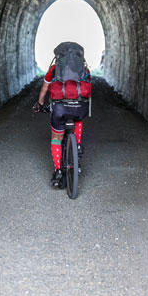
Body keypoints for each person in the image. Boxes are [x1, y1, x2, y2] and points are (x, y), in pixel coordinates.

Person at [33, 43, 91, 188]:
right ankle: (77, 146)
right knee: (78, 119)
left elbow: (44, 89)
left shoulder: (54, 69)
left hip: (59, 109)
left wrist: (40, 103)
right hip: (79, 108)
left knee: (56, 137)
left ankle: (58, 170)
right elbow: (88, 89)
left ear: (59, 57)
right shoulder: (84, 69)